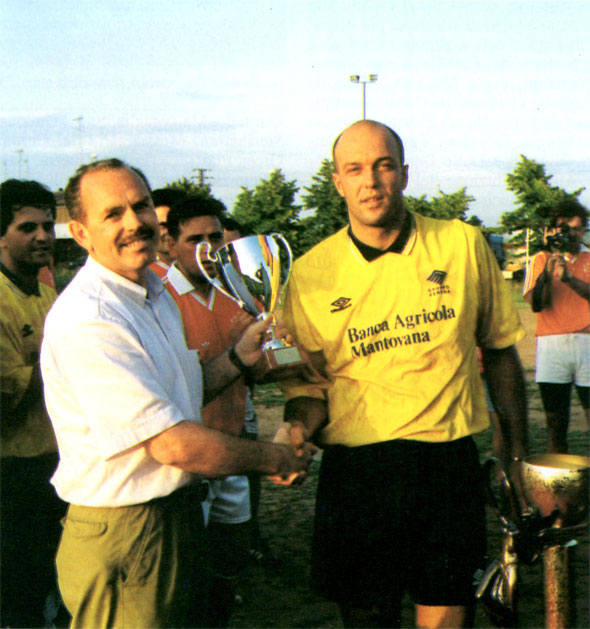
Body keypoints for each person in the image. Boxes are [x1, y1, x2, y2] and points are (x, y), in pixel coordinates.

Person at [39, 158, 315, 629]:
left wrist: (240, 357)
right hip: (127, 531)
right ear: (80, 232)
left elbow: (184, 392)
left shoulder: (151, 291)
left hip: (173, 519)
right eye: (113, 214)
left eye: (141, 205)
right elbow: (170, 442)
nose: (134, 222)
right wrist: (276, 458)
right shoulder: (90, 318)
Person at [275, 120, 529, 628]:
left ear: (404, 174)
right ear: (338, 182)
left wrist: (516, 456)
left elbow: (500, 351)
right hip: (358, 475)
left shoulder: (461, 243)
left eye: (383, 165)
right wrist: (295, 427)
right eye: (355, 169)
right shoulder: (308, 272)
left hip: (445, 467)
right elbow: (309, 385)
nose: (370, 181)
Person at [164, 197, 254, 626]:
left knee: (232, 556)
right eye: (193, 238)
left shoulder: (236, 291)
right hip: (188, 462)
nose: (207, 247)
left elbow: (256, 374)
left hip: (232, 449)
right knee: (188, 574)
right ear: (170, 243)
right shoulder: (161, 299)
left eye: (214, 237)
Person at [0, 179, 67, 628]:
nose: (43, 236)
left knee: (58, 582)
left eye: (48, 225)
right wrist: (62, 357)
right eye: (28, 227)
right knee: (19, 594)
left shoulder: (49, 295)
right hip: (13, 472)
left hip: (57, 463)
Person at [523, 199, 590, 453]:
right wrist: (549, 272)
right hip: (552, 346)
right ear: (552, 231)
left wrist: (569, 279)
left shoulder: (588, 257)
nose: (571, 235)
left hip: (587, 342)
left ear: (584, 230)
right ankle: (559, 487)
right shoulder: (539, 260)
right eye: (564, 229)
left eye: (577, 229)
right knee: (555, 423)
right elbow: (537, 304)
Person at [149, 187, 186, 277]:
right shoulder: (142, 274)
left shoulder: (203, 271)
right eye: (163, 226)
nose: (169, 232)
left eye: (174, 225)